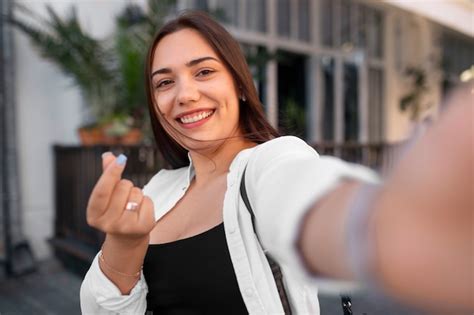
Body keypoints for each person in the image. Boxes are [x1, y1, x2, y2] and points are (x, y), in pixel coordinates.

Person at [80, 11, 473, 315]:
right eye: (165, 82)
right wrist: (125, 242)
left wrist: (377, 226)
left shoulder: (271, 161)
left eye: (203, 72)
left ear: (238, 84)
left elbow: (303, 196)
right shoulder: (159, 191)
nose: (184, 94)